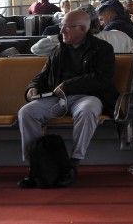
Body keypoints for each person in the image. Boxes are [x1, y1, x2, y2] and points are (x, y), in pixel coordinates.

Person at [17, 10, 117, 188]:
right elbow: (43, 75)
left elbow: (102, 79)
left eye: (66, 28)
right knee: (27, 112)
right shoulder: (58, 50)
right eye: (61, 27)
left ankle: (73, 163)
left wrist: (69, 85)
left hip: (89, 96)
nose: (61, 32)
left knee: (87, 110)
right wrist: (32, 88)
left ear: (82, 29)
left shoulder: (102, 49)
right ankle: (36, 165)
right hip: (58, 98)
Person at [33, 6, 133, 56]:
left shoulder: (74, 41)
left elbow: (36, 49)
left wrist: (61, 36)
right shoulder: (120, 35)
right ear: (97, 21)